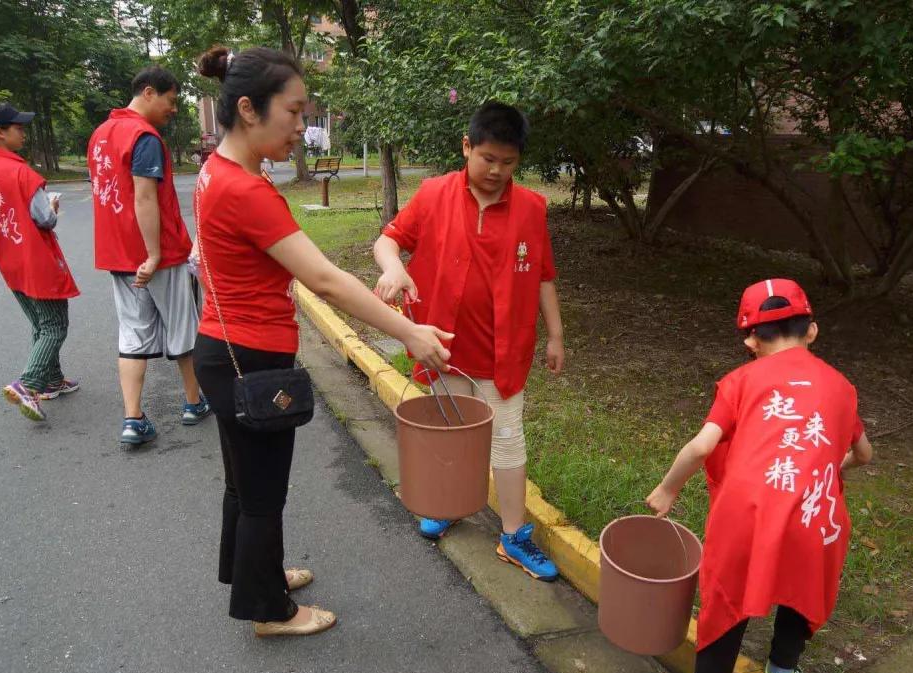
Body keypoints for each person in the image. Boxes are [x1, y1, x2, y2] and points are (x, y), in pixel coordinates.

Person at [192, 45, 452, 637]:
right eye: (295, 112)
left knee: (243, 478)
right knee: (262, 490)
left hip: (222, 349)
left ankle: (247, 572)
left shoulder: (217, 170)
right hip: (251, 358)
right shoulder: (246, 190)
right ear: (250, 110)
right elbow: (325, 279)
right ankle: (269, 611)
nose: (302, 127)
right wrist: (410, 331)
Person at [643, 279, 874, 673]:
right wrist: (829, 467)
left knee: (727, 605)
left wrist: (669, 488)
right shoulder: (841, 388)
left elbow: (701, 446)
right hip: (812, 515)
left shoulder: (740, 381)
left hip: (746, 517)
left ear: (751, 339)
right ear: (812, 332)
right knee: (800, 588)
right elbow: (864, 453)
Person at [373, 101, 566, 581]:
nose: (497, 171)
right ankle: (450, 502)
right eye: (488, 159)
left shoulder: (531, 209)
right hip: (444, 349)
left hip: (504, 352)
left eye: (509, 162)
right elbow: (388, 240)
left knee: (506, 441)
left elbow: (543, 277)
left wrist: (556, 336)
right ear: (466, 147)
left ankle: (513, 535)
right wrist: (394, 266)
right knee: (452, 433)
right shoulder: (434, 194)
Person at [88, 66, 210, 446]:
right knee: (182, 327)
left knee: (133, 334)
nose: (173, 109)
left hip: (118, 255)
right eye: (171, 101)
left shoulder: (100, 135)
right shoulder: (144, 137)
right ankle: (193, 403)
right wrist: (155, 254)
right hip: (159, 254)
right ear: (147, 92)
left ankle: (133, 418)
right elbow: (144, 196)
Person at [0, 101, 80, 422]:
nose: (23, 133)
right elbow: (45, 219)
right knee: (55, 326)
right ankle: (28, 384)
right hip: (35, 258)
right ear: (0, 132)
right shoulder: (20, 172)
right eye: (18, 128)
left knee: (39, 322)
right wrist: (53, 207)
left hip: (9, 259)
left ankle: (52, 380)